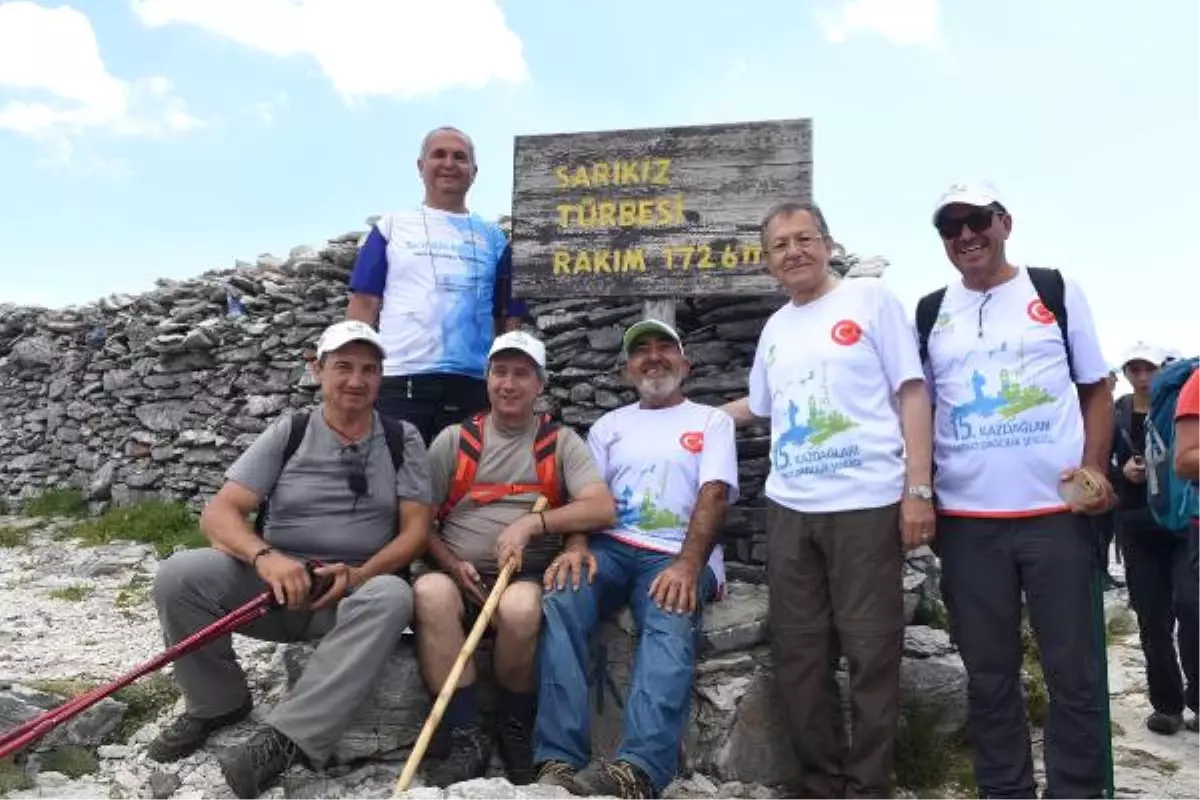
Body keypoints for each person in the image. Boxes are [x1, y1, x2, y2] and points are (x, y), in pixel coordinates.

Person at [147, 320, 432, 799]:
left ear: (381, 377)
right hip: (273, 588)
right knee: (179, 575)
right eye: (342, 366)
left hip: (353, 593)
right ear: (316, 369)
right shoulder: (292, 430)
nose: (356, 380)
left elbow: (417, 532)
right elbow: (220, 512)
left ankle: (285, 739)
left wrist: (360, 573)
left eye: (369, 369)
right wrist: (265, 558)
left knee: (392, 594)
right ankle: (217, 703)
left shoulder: (403, 440)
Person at [722, 201, 934, 800]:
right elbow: (758, 408)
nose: (793, 252)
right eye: (780, 245)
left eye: (803, 239)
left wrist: (917, 489)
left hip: (865, 502)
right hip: (791, 508)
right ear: (768, 263)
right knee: (800, 656)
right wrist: (694, 419)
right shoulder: (775, 328)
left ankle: (869, 787)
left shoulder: (870, 301)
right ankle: (820, 782)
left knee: (871, 653)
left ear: (827, 243)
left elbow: (912, 394)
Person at [918, 180, 1114, 799]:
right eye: (951, 227)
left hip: (1055, 516)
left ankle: (1076, 792)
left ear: (1004, 222)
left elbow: (1097, 387)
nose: (966, 235)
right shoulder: (929, 311)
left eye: (977, 219)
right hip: (969, 524)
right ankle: (1005, 791)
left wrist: (1096, 469)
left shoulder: (1052, 289)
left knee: (1073, 673)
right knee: (990, 677)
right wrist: (918, 492)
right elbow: (918, 408)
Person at [534, 319, 739, 800]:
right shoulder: (609, 426)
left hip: (677, 552)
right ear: (627, 370)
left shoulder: (711, 421)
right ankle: (559, 759)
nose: (653, 357)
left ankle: (639, 769)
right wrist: (577, 546)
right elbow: (588, 496)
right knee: (563, 594)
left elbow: (714, 495)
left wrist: (689, 566)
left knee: (670, 609)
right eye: (641, 350)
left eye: (665, 348)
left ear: (685, 364)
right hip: (610, 547)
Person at [412, 329, 615, 786]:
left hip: (524, 576)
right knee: (428, 592)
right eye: (499, 372)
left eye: (521, 374)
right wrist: (448, 563)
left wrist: (532, 524)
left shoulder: (560, 442)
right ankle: (465, 732)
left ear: (539, 384)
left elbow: (600, 507)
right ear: (486, 379)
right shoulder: (454, 440)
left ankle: (513, 722)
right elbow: (417, 522)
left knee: (522, 609)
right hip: (455, 572)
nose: (508, 384)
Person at [347, 125, 528, 445]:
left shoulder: (495, 239)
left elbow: (508, 320)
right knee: (395, 485)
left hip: (472, 385)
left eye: (460, 157)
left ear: (474, 171)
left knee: (465, 486)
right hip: (400, 381)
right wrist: (354, 373)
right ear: (420, 166)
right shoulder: (391, 227)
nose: (449, 163)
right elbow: (363, 306)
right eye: (439, 154)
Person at [1111, 342, 1200, 734]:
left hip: (1183, 525)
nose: (1143, 376)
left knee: (1192, 610)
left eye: (1149, 368)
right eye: (1135, 369)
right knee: (1153, 619)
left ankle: (1197, 699)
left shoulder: (1184, 404)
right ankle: (1166, 705)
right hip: (1137, 524)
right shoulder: (1116, 414)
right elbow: (1099, 466)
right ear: (1128, 373)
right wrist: (1121, 474)